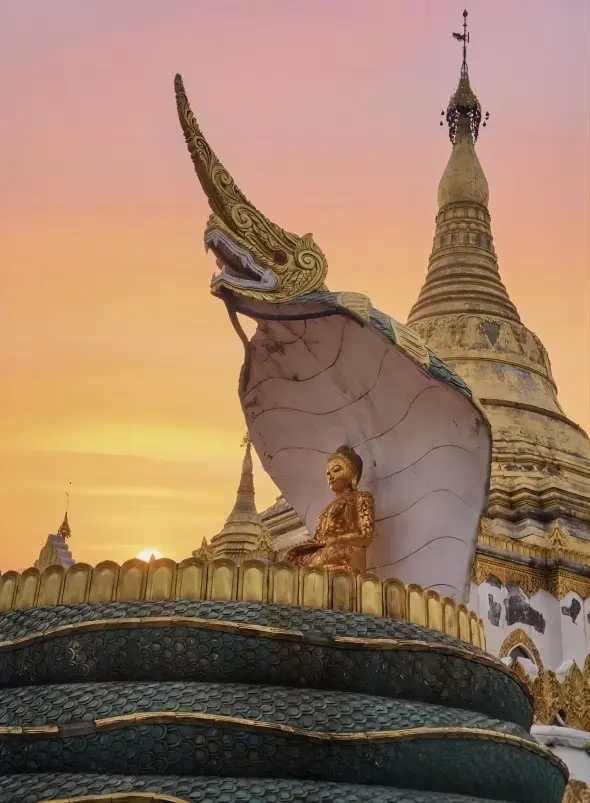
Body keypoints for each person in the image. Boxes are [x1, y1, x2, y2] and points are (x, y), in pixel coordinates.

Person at [285, 445, 374, 571]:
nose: (330, 476)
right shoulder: (327, 508)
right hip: (325, 551)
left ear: (353, 473)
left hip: (345, 551)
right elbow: (318, 539)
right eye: (328, 473)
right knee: (295, 561)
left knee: (329, 553)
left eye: (336, 470)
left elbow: (365, 535)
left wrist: (335, 539)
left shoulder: (362, 497)